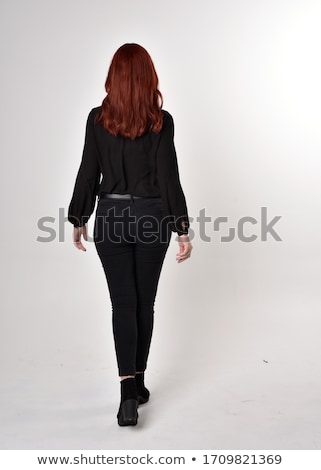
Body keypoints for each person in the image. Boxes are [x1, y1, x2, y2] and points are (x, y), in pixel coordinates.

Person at [67, 43, 193, 426]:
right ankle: (138, 382)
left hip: (111, 217)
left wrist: (78, 217)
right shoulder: (161, 120)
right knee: (145, 303)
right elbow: (168, 176)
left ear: (114, 77)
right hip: (152, 217)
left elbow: (89, 170)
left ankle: (126, 393)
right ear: (148, 77)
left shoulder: (96, 118)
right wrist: (181, 227)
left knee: (123, 304)